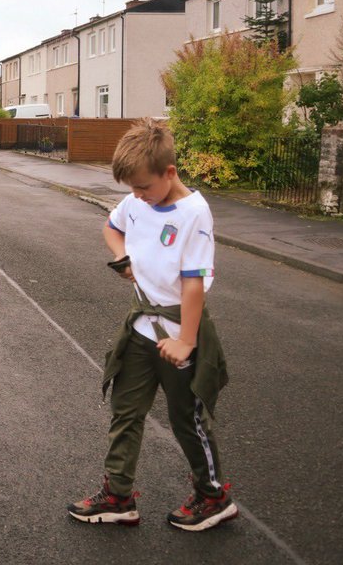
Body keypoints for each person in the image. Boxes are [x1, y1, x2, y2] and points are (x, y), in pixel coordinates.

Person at [68, 118, 236, 531]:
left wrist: (187, 342)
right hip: (142, 327)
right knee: (126, 411)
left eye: (144, 187)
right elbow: (111, 226)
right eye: (132, 190)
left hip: (180, 331)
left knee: (187, 421)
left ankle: (213, 497)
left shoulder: (194, 212)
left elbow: (194, 284)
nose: (137, 197)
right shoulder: (138, 202)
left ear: (170, 173)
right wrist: (124, 257)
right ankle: (118, 496)